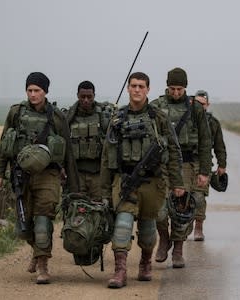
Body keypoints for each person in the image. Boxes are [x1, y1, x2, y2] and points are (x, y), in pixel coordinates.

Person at [100, 72, 185, 288]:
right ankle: (120, 271)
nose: (137, 90)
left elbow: (174, 151)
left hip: (152, 182)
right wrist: (103, 190)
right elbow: (106, 156)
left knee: (147, 231)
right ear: (128, 88)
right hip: (125, 179)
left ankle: (145, 263)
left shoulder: (159, 118)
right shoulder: (117, 119)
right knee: (122, 225)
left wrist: (177, 183)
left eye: (141, 86)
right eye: (133, 86)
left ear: (148, 89)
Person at [0, 72, 79, 284]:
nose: (33, 94)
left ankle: (43, 265)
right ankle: (36, 251)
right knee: (24, 226)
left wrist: (73, 187)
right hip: (21, 175)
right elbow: (4, 145)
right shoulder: (16, 113)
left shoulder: (57, 117)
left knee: (43, 219)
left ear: (45, 92)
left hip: (48, 175)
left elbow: (68, 152)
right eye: (29, 90)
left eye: (37, 90)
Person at [150, 67, 212, 268]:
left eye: (180, 89)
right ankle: (163, 238)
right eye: (172, 88)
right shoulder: (156, 106)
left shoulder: (195, 109)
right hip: (161, 164)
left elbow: (205, 141)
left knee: (181, 208)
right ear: (167, 87)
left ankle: (177, 248)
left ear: (185, 88)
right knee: (158, 208)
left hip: (186, 164)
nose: (176, 93)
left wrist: (204, 171)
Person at [63, 80, 113, 200]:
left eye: (89, 97)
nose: (86, 100)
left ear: (94, 96)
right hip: (76, 175)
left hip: (98, 174)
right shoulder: (68, 117)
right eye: (82, 96)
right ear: (77, 96)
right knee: (76, 210)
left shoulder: (104, 116)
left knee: (100, 210)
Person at [192, 89, 227, 241]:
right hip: (184, 162)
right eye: (197, 103)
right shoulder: (186, 120)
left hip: (203, 163)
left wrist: (222, 164)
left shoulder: (212, 123)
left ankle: (198, 227)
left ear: (208, 105)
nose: (200, 106)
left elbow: (219, 145)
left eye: (203, 104)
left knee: (199, 197)